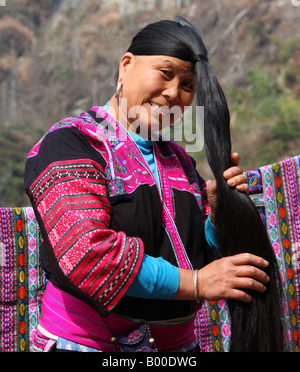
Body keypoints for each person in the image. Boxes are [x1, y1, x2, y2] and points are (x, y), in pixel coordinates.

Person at [24, 18, 270, 353]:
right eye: (165, 73)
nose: (173, 93)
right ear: (125, 66)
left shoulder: (179, 162)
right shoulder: (71, 144)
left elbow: (197, 257)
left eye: (187, 85)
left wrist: (217, 219)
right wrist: (196, 284)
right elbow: (88, 256)